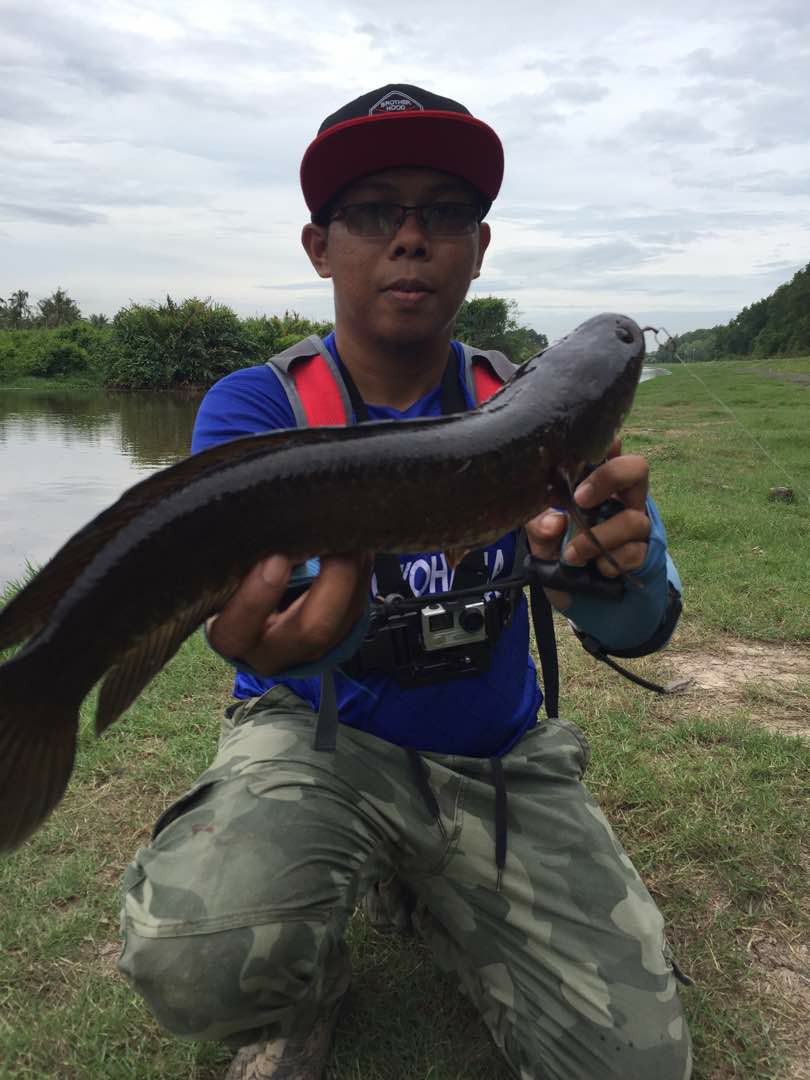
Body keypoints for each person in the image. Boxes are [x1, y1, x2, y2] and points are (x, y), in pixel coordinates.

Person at [118, 84, 692, 1080]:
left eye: (446, 212)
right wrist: (305, 634)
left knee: (637, 1066)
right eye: (377, 210)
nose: (413, 238)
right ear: (318, 243)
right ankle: (313, 972)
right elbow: (297, 627)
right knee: (192, 953)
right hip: (319, 746)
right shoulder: (258, 408)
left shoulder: (521, 408)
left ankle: (435, 894)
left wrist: (612, 580)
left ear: (481, 244)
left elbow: (645, 621)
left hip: (498, 761)